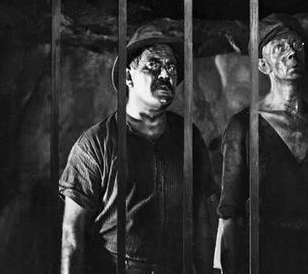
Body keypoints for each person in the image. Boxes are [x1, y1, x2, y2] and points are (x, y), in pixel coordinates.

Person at [59, 26, 216, 274]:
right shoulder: (95, 144)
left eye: (171, 67)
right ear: (128, 77)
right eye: (153, 65)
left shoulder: (189, 137)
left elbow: (201, 218)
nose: (165, 73)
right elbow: (72, 235)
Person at [217, 14, 308, 274]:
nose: (291, 52)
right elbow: (230, 216)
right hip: (261, 260)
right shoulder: (243, 127)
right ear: (263, 65)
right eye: (279, 47)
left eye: (296, 44)